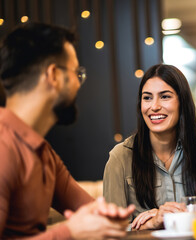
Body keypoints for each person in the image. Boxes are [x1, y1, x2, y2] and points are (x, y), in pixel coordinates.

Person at [0, 22, 135, 239]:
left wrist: (108, 216)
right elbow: (72, 230)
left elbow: (90, 208)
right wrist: (70, 232)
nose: (78, 85)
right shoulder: (4, 146)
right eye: (76, 74)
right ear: (53, 75)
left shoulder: (42, 152)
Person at [103, 64, 196, 230]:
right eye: (147, 98)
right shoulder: (121, 157)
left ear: (182, 102)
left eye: (165, 96)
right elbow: (108, 228)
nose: (154, 106)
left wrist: (191, 213)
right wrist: (150, 223)